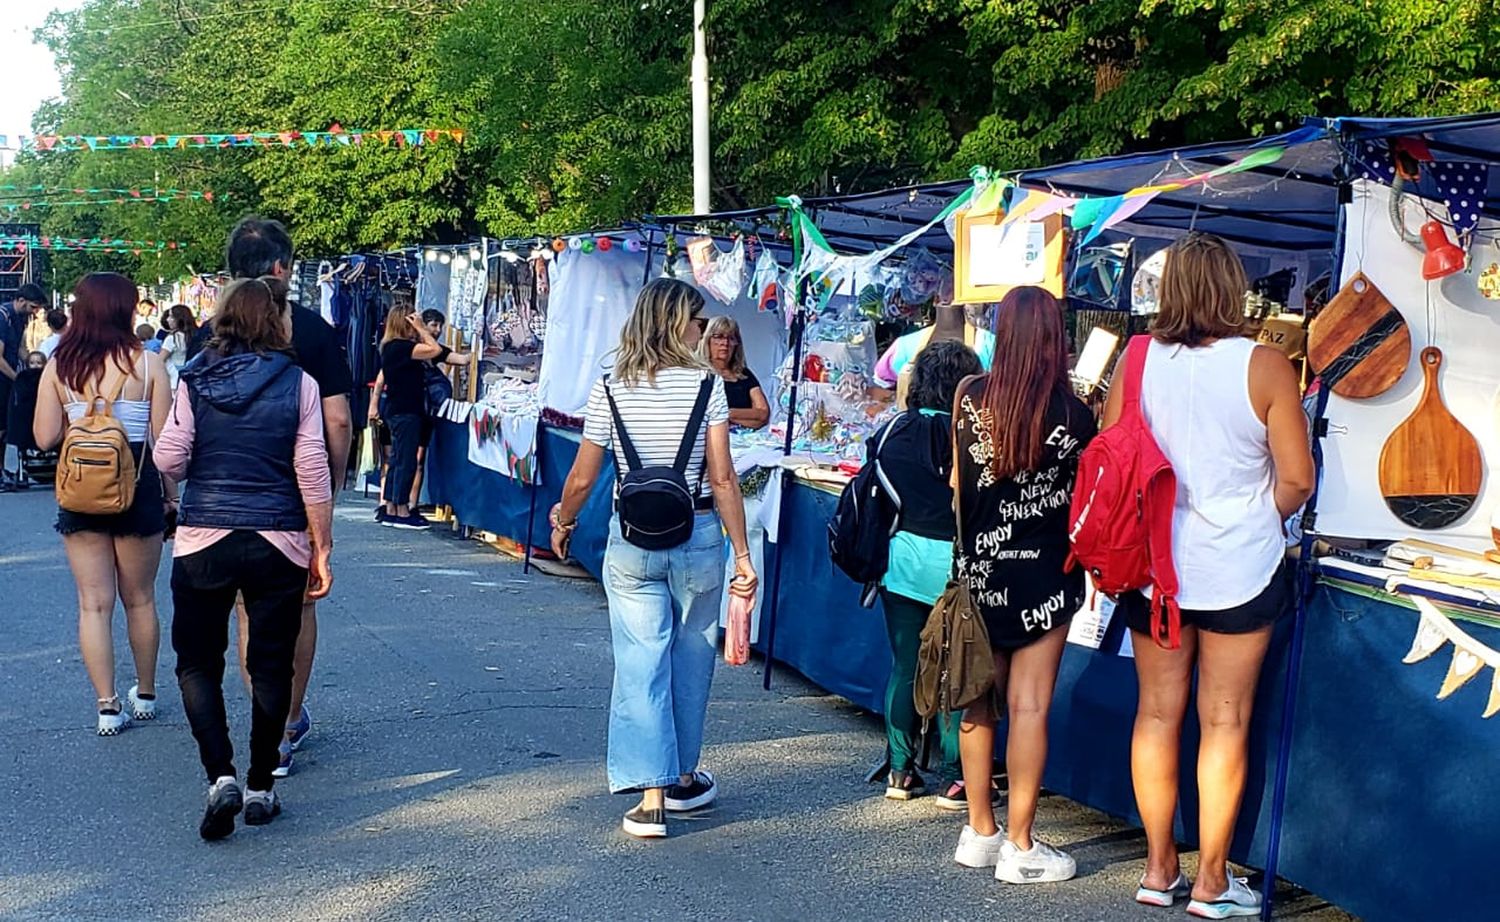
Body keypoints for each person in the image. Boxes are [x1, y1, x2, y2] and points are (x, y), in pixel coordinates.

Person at [1104, 234, 1313, 918]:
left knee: (1156, 716)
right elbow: (1297, 480)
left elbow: (1111, 461)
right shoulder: (1267, 365)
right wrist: (1253, 517)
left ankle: (1158, 868)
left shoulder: (1135, 360)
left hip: (1151, 570)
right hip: (1239, 569)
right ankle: (1212, 880)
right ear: (1232, 289)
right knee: (1224, 721)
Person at [550, 278, 758, 840]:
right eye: (697, 320)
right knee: (692, 655)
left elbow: (584, 475)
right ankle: (685, 775)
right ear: (674, 323)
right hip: (699, 534)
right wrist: (743, 553)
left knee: (641, 659)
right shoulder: (707, 386)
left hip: (633, 538)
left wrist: (563, 521)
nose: (702, 330)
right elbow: (721, 477)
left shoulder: (610, 386)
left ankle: (651, 797)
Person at [153, 276, 334, 839]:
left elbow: (170, 458)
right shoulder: (299, 383)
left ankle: (220, 775)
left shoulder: (194, 378)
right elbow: (312, 469)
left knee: (197, 661)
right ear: (277, 320)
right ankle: (261, 783)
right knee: (271, 662)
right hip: (277, 538)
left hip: (204, 538)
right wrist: (321, 546)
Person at [949, 286, 1096, 884]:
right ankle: (1021, 843)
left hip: (979, 572)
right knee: (1029, 707)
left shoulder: (967, 395)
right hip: (1045, 574)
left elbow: (957, 484)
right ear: (1055, 339)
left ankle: (979, 830)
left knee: (977, 703)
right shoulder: (1075, 412)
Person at [218, 216, 353, 779]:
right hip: (297, 492)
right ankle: (289, 721)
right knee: (299, 604)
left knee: (250, 609)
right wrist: (333, 485)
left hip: (231, 492)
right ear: (281, 268)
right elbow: (339, 420)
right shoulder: (316, 332)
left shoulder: (215, 333)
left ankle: (265, 723)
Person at [31, 273, 171, 735]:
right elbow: (165, 443)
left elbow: (44, 436)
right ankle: (146, 694)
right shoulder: (149, 366)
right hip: (137, 485)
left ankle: (108, 706)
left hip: (81, 491)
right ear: (126, 310)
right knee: (141, 599)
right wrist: (171, 496)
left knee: (94, 604)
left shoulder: (60, 366)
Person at [873, 340, 982, 806]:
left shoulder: (893, 430)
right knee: (957, 672)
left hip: (901, 559)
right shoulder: (973, 435)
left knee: (905, 665)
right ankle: (959, 776)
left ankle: (900, 769)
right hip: (956, 566)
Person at [372, 302, 467, 528]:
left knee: (398, 459)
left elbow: (442, 354)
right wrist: (423, 330)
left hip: (399, 409)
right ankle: (402, 509)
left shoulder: (393, 347)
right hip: (406, 410)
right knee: (406, 461)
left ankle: (391, 506)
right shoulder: (401, 347)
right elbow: (434, 349)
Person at [1, 282, 48, 469]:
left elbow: (20, 348)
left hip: (8, 374)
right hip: (3, 375)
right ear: (20, 300)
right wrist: (19, 379)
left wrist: (32, 366)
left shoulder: (21, 318)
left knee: (5, 426)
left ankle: (3, 470)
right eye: (32, 307)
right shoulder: (3, 317)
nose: (35, 312)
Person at [700, 316, 769, 430]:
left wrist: (728, 414)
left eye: (731, 338)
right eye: (719, 337)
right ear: (707, 340)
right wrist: (746, 417)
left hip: (745, 441)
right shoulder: (699, 374)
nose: (725, 343)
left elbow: (763, 413)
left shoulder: (744, 374)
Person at [161, 304, 197, 391]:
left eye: (171, 317)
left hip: (173, 379)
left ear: (179, 319)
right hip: (189, 377)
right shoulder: (195, 335)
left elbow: (160, 359)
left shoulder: (172, 338)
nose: (168, 319)